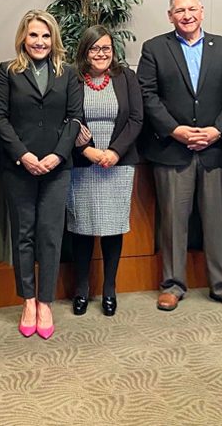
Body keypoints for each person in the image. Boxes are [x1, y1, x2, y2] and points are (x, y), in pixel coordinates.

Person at [137, 0, 222, 313]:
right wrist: (175, 130)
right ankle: (172, 285)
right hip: (173, 149)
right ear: (170, 16)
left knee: (217, 221)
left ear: (202, 10)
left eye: (191, 9)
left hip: (215, 149)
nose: (186, 15)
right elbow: (147, 94)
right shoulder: (155, 48)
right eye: (179, 11)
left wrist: (217, 130)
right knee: (173, 221)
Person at [0, 10, 83, 339]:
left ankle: (46, 302)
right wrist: (24, 155)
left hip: (58, 168)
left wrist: (58, 156)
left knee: (50, 235)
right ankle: (28, 301)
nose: (40, 42)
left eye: (45, 36)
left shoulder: (68, 73)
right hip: (19, 167)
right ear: (23, 38)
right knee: (24, 235)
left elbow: (75, 118)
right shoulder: (7, 72)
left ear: (53, 38)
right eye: (33, 35)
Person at [68, 26, 143, 317]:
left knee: (113, 228)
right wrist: (87, 150)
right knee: (81, 228)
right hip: (83, 163)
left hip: (117, 164)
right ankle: (81, 290)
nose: (101, 54)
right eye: (95, 49)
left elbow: (137, 119)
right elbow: (67, 118)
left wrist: (114, 152)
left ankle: (109, 290)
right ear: (85, 51)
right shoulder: (73, 79)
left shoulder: (126, 78)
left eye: (106, 49)